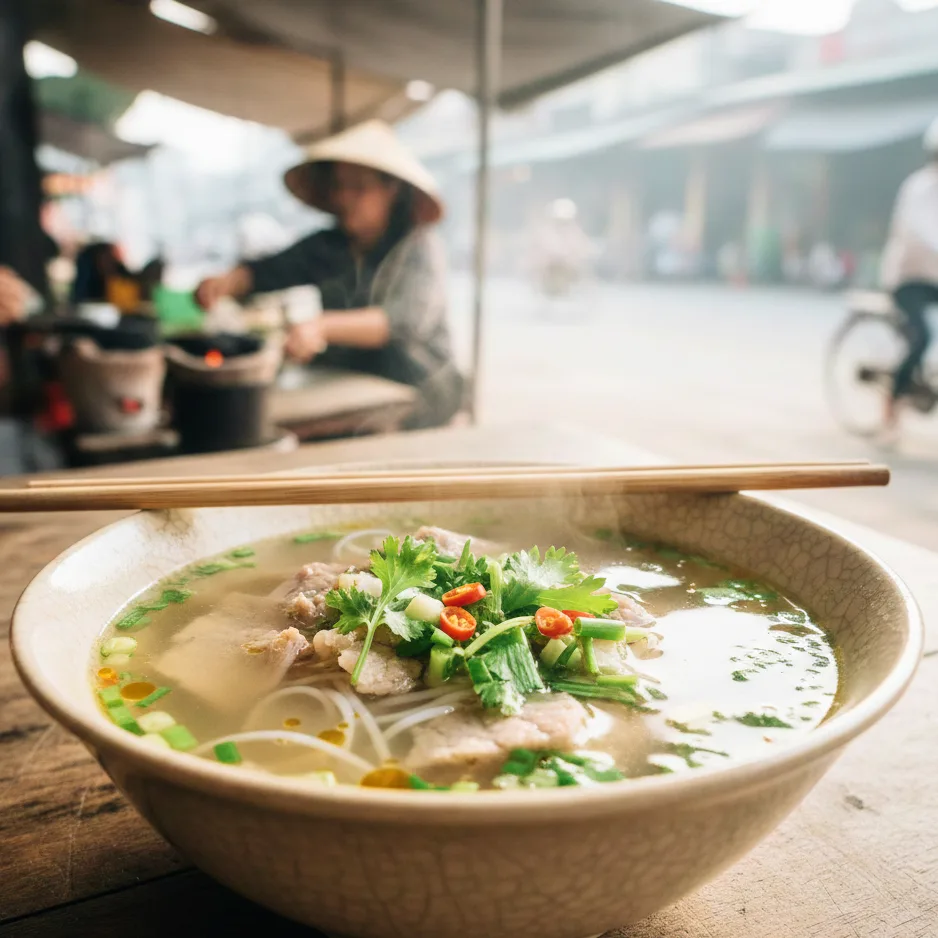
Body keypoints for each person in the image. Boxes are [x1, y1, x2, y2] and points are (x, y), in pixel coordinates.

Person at [196, 120, 463, 429]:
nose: (344, 198)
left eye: (359, 188)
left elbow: (402, 321)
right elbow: (269, 271)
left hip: (421, 393)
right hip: (353, 387)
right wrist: (227, 282)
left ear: (391, 190)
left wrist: (321, 327)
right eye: (339, 186)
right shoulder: (329, 245)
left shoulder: (418, 245)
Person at [880, 118, 938, 434]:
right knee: (922, 337)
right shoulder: (919, 188)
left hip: (934, 279)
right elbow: (921, 231)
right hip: (907, 280)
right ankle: (892, 398)